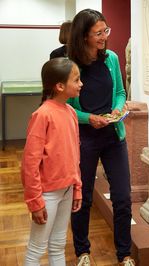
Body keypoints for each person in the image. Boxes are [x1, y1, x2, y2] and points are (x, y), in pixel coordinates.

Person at [67, 9, 134, 266]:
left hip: (113, 135)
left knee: (122, 197)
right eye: (98, 33)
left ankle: (124, 254)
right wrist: (89, 118)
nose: (104, 36)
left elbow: (119, 91)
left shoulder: (112, 59)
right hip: (84, 138)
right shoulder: (70, 64)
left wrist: (118, 108)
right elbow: (66, 106)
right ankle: (83, 251)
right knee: (81, 198)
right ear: (84, 36)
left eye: (106, 31)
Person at [21, 57, 83, 265]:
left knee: (58, 246)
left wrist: (77, 187)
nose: (80, 84)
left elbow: (75, 155)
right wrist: (35, 202)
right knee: (36, 250)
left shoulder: (72, 113)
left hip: (67, 191)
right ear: (59, 86)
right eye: (76, 80)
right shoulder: (42, 115)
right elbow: (29, 163)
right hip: (46, 194)